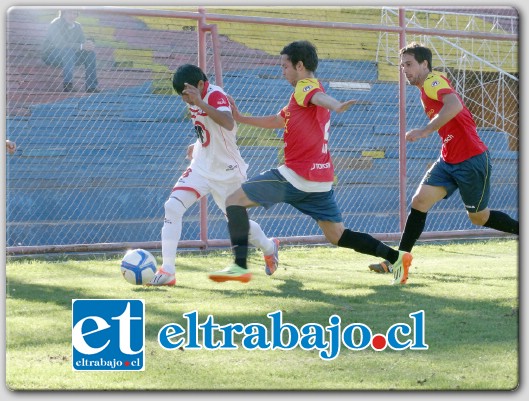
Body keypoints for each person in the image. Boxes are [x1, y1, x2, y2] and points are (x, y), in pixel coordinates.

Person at [207, 40, 412, 286]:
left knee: (233, 201)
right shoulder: (300, 97)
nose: (282, 71)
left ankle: (240, 266)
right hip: (319, 182)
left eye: (285, 66)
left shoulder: (305, 87)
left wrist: (336, 105)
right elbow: (277, 119)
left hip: (295, 176)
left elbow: (319, 97)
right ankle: (396, 257)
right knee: (338, 236)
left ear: (300, 65)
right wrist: (241, 118)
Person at [368, 42, 519, 275]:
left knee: (479, 217)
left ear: (424, 64)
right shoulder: (424, 88)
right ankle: (398, 260)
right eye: (401, 66)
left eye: (409, 64)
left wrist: (425, 130)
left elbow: (454, 105)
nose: (404, 70)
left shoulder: (432, 81)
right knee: (419, 202)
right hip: (448, 160)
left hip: (471, 159)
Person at [147, 64, 279, 287]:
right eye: (182, 96)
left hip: (227, 173)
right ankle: (168, 270)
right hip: (201, 166)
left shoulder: (216, 95)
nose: (186, 100)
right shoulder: (195, 98)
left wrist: (199, 102)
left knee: (240, 226)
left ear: (200, 84)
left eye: (188, 94)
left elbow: (228, 123)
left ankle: (269, 247)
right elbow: (208, 128)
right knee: (173, 206)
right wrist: (198, 143)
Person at [42, 9, 99, 93]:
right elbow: (59, 44)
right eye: (69, 13)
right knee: (68, 51)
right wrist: (81, 46)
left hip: (70, 56)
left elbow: (82, 42)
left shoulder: (77, 26)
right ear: (63, 13)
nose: (72, 16)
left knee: (90, 54)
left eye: (75, 14)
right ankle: (68, 84)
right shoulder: (55, 24)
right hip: (52, 55)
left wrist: (88, 44)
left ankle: (91, 87)